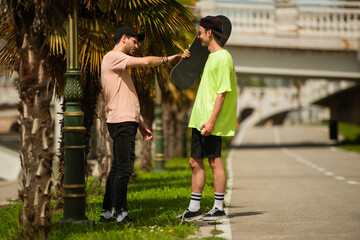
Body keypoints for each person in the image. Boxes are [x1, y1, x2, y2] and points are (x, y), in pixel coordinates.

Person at [99, 26, 181, 224]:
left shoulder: (118, 65)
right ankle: (121, 213)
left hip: (124, 119)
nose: (137, 46)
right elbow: (145, 62)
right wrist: (166, 60)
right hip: (122, 121)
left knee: (118, 166)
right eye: (135, 41)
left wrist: (140, 123)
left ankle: (107, 212)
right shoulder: (113, 57)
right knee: (124, 168)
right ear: (124, 38)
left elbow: (124, 97)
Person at [177, 16, 237, 221]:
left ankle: (218, 207)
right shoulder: (210, 57)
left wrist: (212, 121)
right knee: (195, 161)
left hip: (210, 120)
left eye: (200, 32)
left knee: (214, 161)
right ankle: (194, 208)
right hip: (199, 117)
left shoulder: (223, 58)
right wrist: (186, 57)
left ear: (209, 33)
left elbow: (222, 93)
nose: (198, 36)